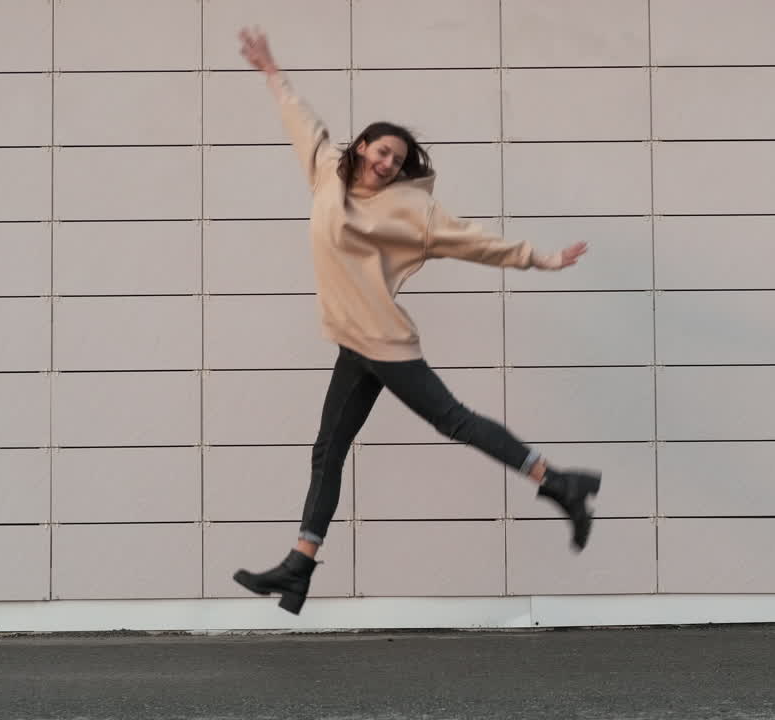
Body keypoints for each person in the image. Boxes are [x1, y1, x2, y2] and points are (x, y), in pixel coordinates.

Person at [231, 27, 602, 615]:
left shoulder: (413, 210)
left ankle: (559, 481)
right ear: (361, 148)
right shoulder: (327, 169)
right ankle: (300, 565)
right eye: (380, 151)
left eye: (397, 160)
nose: (386, 163)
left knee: (452, 420)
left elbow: (476, 242)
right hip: (353, 342)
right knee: (329, 450)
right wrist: (271, 69)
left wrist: (543, 258)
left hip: (382, 340)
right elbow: (300, 119)